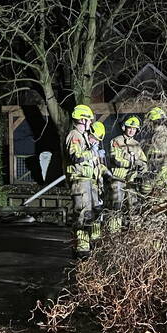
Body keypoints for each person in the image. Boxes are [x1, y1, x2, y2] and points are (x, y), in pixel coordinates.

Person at [65, 104, 99, 257]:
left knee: (88, 215)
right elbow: (76, 156)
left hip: (86, 180)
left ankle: (84, 246)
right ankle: (81, 249)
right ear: (82, 120)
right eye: (89, 120)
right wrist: (91, 152)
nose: (91, 122)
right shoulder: (74, 135)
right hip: (79, 181)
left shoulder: (82, 136)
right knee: (82, 215)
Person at [107, 115, 147, 232]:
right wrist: (132, 163)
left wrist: (142, 167)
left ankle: (136, 234)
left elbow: (144, 162)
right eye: (129, 128)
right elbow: (116, 159)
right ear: (124, 127)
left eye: (134, 129)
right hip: (118, 180)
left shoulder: (136, 144)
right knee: (116, 208)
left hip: (131, 182)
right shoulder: (116, 141)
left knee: (134, 208)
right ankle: (114, 234)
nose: (131, 131)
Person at [143, 106, 167, 202]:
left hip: (164, 183)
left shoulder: (161, 139)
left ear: (152, 123)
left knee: (161, 207)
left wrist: (153, 181)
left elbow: (165, 162)